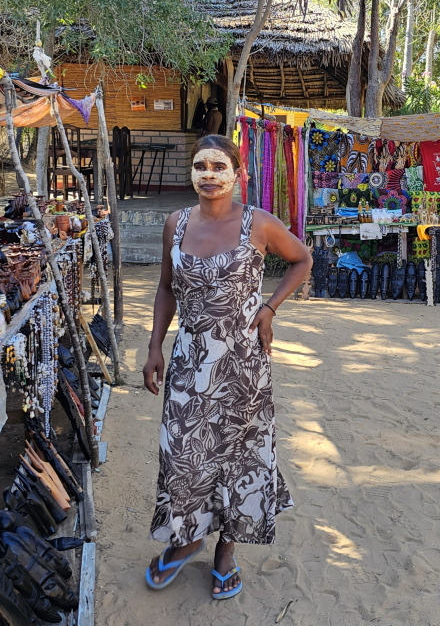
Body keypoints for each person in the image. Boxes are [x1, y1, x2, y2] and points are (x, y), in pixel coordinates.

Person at [142, 134, 312, 600]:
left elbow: (301, 259)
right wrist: (155, 345)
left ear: (238, 175)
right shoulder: (174, 224)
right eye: (201, 166)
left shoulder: (258, 223)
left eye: (220, 166)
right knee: (182, 453)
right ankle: (188, 538)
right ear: (191, 173)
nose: (209, 175)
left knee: (240, 458)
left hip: (242, 365)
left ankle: (226, 551)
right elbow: (165, 288)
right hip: (189, 360)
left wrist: (270, 307)